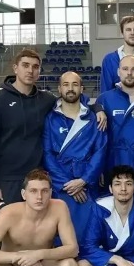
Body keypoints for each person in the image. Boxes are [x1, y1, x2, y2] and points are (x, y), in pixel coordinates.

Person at [0, 48, 56, 213]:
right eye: (25, 65)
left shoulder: (47, 100)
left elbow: (73, 102)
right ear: (15, 68)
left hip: (36, 180)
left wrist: (97, 108)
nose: (30, 70)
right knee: (6, 229)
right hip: (5, 182)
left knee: (36, 228)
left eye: (35, 67)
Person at [42, 71, 107, 240]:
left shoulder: (94, 118)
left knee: (89, 235)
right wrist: (67, 184)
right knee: (62, 236)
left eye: (75, 84)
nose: (70, 89)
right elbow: (47, 154)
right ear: (59, 89)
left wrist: (84, 180)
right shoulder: (50, 118)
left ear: (82, 88)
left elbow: (100, 151)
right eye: (66, 85)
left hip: (87, 185)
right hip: (61, 185)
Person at [96, 55, 134, 174]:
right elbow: (97, 138)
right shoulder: (105, 99)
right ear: (118, 72)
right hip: (113, 162)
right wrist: (95, 108)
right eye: (125, 69)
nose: (129, 73)